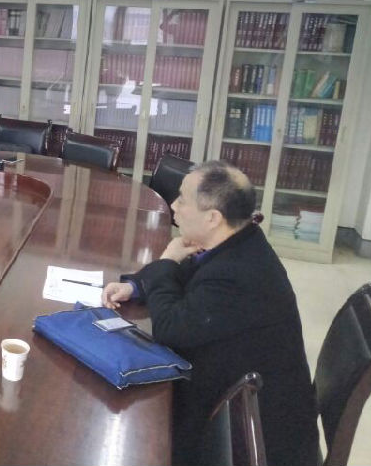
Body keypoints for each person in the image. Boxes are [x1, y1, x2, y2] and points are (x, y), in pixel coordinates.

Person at [101, 161, 318, 466]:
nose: (173, 206)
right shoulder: (238, 241)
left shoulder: (238, 274)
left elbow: (170, 328)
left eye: (182, 200)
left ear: (213, 217)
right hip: (233, 395)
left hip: (250, 441)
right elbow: (187, 276)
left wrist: (166, 261)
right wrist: (136, 286)